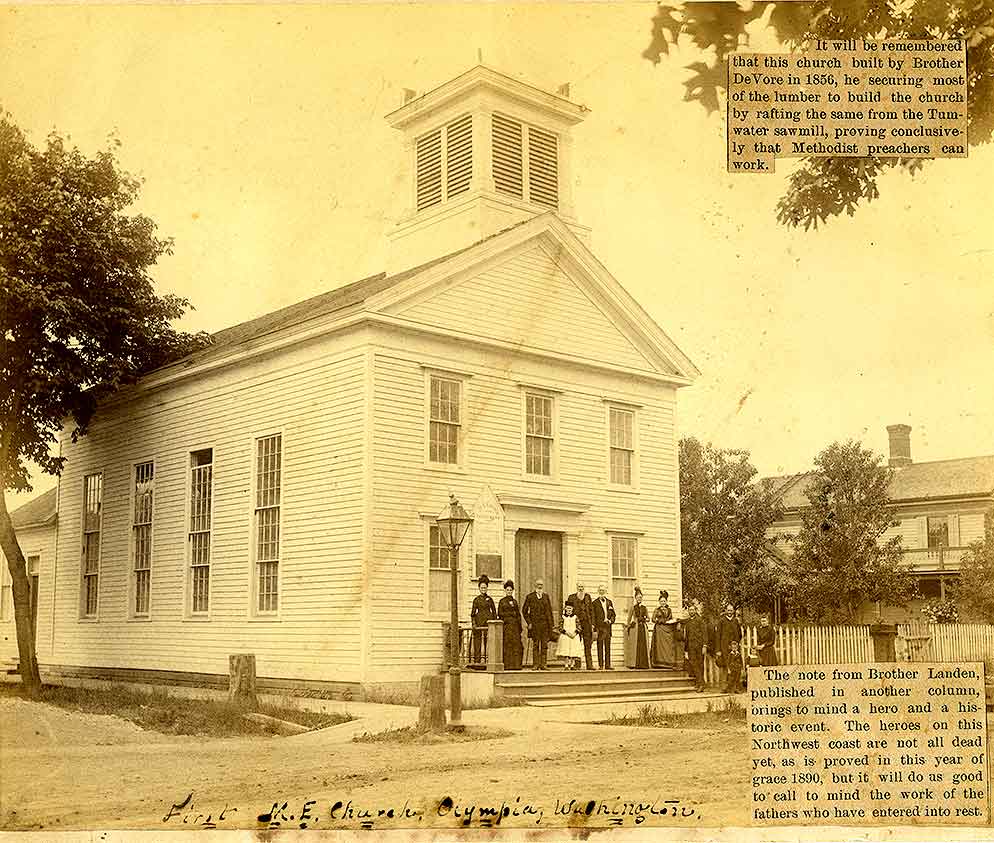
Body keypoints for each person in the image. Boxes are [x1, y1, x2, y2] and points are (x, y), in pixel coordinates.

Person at [522, 579, 554, 670]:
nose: (540, 586)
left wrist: (551, 625)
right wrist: (529, 622)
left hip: (545, 625)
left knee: (544, 645)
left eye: (541, 585)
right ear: (535, 586)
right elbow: (524, 611)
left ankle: (543, 664)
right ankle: (535, 664)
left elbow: (549, 611)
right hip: (535, 625)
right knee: (536, 645)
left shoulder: (545, 596)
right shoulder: (530, 597)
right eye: (538, 585)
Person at [565, 582, 594, 670]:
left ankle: (589, 665)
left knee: (587, 645)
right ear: (577, 587)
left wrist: (592, 624)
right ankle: (577, 665)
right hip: (576, 624)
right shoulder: (571, 597)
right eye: (579, 587)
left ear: (584, 588)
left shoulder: (587, 596)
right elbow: (567, 610)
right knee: (575, 645)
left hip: (586, 624)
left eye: (582, 587)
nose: (580, 588)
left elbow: (591, 611)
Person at [716, 602, 743, 693]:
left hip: (734, 648)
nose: (730, 612)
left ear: (733, 611)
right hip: (724, 648)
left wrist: (736, 645)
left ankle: (735, 687)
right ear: (725, 611)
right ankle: (724, 687)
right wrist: (718, 650)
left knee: (735, 667)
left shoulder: (736, 621)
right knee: (725, 667)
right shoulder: (721, 621)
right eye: (728, 610)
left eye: (731, 610)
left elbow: (740, 634)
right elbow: (718, 636)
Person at [470, 575, 497, 664]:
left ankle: (487, 660)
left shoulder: (490, 599)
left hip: (488, 622)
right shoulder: (476, 600)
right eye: (482, 587)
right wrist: (474, 623)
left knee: (487, 641)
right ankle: (477, 661)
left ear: (487, 588)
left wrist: (494, 622)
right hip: (479, 622)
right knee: (478, 641)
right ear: (479, 588)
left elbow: (494, 612)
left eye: (485, 587)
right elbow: (473, 614)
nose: (483, 589)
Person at [498, 580, 523, 670]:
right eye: (507, 590)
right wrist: (510, 615)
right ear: (505, 591)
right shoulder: (502, 602)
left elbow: (518, 614)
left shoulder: (515, 602)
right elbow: (500, 614)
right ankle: (508, 665)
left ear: (512, 591)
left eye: (510, 590)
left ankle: (516, 665)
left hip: (515, 627)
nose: (509, 591)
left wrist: (519, 626)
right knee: (507, 645)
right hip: (507, 626)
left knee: (516, 645)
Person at [683, 600, 707, 692]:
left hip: (700, 646)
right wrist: (686, 650)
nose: (691, 611)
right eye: (690, 610)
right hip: (691, 647)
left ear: (695, 610)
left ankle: (701, 684)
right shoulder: (688, 622)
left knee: (700, 664)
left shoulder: (700, 620)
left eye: (692, 610)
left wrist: (704, 646)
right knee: (693, 664)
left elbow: (705, 633)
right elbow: (687, 637)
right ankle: (700, 682)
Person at [624, 587, 651, 669]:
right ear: (635, 598)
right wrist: (628, 626)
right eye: (638, 597)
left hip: (642, 627)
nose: (639, 598)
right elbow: (629, 618)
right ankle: (635, 663)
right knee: (636, 645)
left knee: (643, 644)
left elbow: (648, 618)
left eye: (641, 597)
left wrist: (644, 619)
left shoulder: (644, 608)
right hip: (635, 628)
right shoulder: (633, 607)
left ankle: (643, 664)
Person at [591, 584, 616, 669]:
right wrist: (595, 627)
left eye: (603, 590)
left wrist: (610, 621)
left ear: (606, 591)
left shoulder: (609, 602)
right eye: (600, 590)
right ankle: (601, 665)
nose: (602, 592)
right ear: (598, 591)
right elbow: (593, 616)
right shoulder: (594, 603)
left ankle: (608, 665)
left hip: (608, 627)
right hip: (600, 628)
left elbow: (613, 615)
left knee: (608, 647)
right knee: (600, 646)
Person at [650, 590, 675, 669]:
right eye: (661, 601)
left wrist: (671, 621)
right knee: (659, 646)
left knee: (668, 646)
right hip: (659, 630)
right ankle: (658, 663)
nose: (663, 602)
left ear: (666, 601)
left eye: (664, 601)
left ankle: (668, 663)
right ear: (659, 602)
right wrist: (660, 621)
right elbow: (653, 619)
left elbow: (670, 618)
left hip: (668, 630)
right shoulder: (657, 610)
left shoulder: (669, 610)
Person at [558, 603, 583, 670]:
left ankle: (572, 664)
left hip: (574, 636)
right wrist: (566, 632)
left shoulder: (575, 617)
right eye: (567, 608)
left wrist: (575, 633)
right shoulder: (563, 617)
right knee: (566, 650)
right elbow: (560, 627)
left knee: (573, 650)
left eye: (570, 608)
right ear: (565, 609)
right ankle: (566, 664)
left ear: (572, 609)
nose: (569, 610)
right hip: (565, 635)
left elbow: (579, 626)